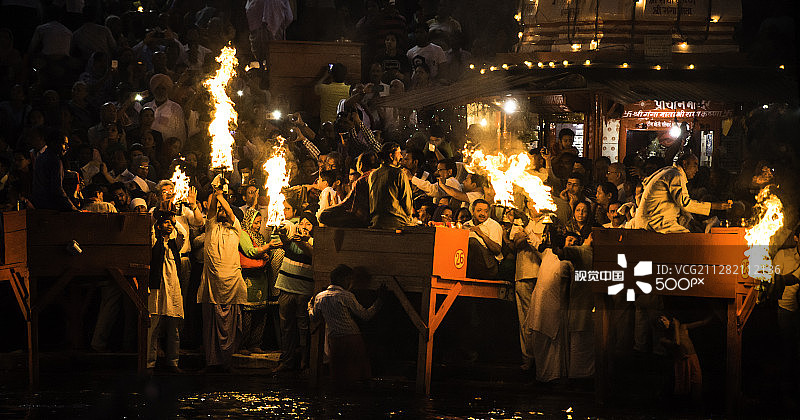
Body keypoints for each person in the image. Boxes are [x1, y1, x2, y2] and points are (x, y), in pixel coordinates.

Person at [197, 180, 248, 371]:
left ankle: (227, 363)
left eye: (224, 211)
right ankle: (211, 363)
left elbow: (231, 213)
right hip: (212, 285)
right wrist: (215, 194)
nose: (222, 212)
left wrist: (220, 195)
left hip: (231, 284)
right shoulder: (211, 226)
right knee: (210, 327)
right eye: (220, 210)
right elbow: (211, 212)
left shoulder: (236, 229)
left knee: (230, 326)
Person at [308, 264, 384, 386]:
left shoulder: (319, 297)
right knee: (358, 376)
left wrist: (309, 307)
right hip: (352, 338)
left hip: (335, 340)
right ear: (344, 279)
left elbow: (314, 318)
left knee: (339, 377)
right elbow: (365, 315)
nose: (351, 284)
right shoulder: (346, 296)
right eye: (350, 280)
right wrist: (379, 300)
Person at [630, 154, 731, 233]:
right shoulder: (675, 175)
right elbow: (685, 204)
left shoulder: (668, 171)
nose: (697, 169)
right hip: (656, 223)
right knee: (690, 241)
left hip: (652, 221)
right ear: (685, 163)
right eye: (695, 164)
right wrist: (715, 206)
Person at [274, 211, 317, 372]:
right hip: (286, 287)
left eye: (308, 224)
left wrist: (302, 242)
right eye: (302, 223)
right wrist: (282, 230)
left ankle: (305, 363)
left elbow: (312, 254)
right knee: (286, 326)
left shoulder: (315, 241)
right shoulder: (292, 239)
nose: (304, 226)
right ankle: (286, 361)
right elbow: (285, 238)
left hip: (304, 291)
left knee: (303, 327)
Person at [238, 208, 281, 355]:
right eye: (255, 223)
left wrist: (267, 254)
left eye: (259, 222)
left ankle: (255, 343)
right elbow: (250, 251)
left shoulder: (259, 236)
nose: (257, 225)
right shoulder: (243, 234)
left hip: (261, 277)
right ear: (248, 221)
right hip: (249, 278)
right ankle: (242, 344)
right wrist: (267, 247)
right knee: (247, 312)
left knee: (261, 311)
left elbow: (263, 252)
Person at [147, 211, 186, 373]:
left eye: (170, 224)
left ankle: (173, 362)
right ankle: (149, 363)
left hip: (173, 288)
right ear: (158, 226)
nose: (169, 226)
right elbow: (149, 232)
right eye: (166, 223)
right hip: (157, 289)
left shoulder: (174, 244)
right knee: (152, 328)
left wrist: (175, 222)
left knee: (174, 328)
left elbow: (183, 235)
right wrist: (157, 216)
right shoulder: (154, 241)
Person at [773, 226, 800, 409]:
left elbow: (792, 279)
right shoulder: (783, 255)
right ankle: (785, 397)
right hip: (786, 311)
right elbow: (773, 281)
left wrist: (781, 279)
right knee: (787, 354)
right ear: (797, 238)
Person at [657, 314, 712, 402]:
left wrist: (714, 313)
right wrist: (676, 327)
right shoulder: (663, 339)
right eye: (659, 322)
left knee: (697, 381)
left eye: (663, 319)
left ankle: (696, 405)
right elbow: (677, 343)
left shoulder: (682, 327)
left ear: (668, 319)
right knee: (682, 386)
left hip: (693, 357)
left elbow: (703, 322)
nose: (662, 322)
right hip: (681, 360)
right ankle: (682, 408)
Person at [368, 142, 414, 229]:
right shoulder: (399, 173)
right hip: (396, 222)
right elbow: (407, 204)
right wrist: (409, 217)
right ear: (391, 156)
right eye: (399, 153)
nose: (401, 156)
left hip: (376, 221)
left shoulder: (373, 174)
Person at [31, 131, 77, 211]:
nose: (67, 147)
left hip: (39, 204)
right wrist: (71, 207)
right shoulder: (54, 160)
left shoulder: (41, 157)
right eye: (64, 144)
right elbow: (57, 189)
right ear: (53, 143)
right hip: (51, 206)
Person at [463, 199, 503, 279]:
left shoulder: (494, 225)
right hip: (470, 263)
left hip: (489, 265)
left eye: (486, 211)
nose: (483, 214)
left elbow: (497, 250)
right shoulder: (466, 225)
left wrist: (481, 234)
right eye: (479, 210)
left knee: (473, 242)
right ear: (472, 211)